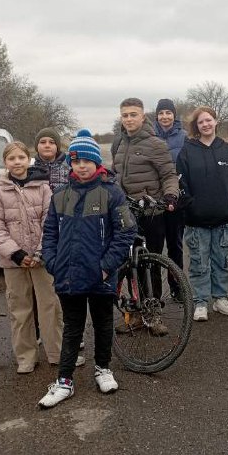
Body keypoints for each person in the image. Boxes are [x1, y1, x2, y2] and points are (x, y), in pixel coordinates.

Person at [37, 130, 136, 408]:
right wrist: (53, 263)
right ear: (70, 163)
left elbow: (125, 233)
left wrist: (106, 267)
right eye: (76, 161)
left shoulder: (111, 193)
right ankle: (64, 381)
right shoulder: (59, 195)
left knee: (104, 323)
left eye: (86, 161)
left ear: (96, 163)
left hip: (101, 276)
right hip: (68, 276)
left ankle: (103, 368)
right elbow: (50, 234)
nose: (81, 166)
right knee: (72, 327)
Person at [0, 142, 63, 374]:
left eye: (21, 157)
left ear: (28, 159)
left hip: (42, 260)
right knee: (20, 310)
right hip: (14, 262)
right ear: (5, 163)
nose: (17, 162)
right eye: (11, 158)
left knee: (50, 306)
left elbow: (51, 221)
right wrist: (16, 253)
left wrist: (41, 251)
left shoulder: (43, 188)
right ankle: (26, 357)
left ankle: (56, 352)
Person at [111, 98, 179, 334]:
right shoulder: (118, 143)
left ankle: (154, 314)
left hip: (151, 213)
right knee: (130, 265)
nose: (129, 119)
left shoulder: (156, 144)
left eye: (133, 114)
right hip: (126, 213)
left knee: (151, 262)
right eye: (125, 115)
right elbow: (115, 174)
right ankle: (137, 314)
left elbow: (169, 174)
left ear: (143, 117)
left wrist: (170, 196)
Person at [176, 107, 228, 322]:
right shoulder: (188, 151)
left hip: (224, 219)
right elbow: (181, 182)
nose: (205, 125)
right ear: (196, 127)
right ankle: (200, 302)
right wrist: (190, 205)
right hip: (197, 221)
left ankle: (220, 299)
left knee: (221, 261)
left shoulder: (226, 150)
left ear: (216, 122)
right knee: (199, 262)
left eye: (208, 120)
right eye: (200, 122)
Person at [153, 99, 187, 298]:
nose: (165, 116)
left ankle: (176, 287)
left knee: (175, 246)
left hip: (176, 198)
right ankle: (154, 293)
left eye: (168, 112)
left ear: (174, 115)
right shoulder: (149, 135)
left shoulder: (184, 137)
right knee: (155, 247)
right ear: (156, 116)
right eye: (161, 113)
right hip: (154, 198)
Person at [33, 128, 70, 192]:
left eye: (52, 142)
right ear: (37, 146)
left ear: (57, 147)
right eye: (43, 142)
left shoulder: (70, 170)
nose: (47, 145)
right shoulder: (30, 171)